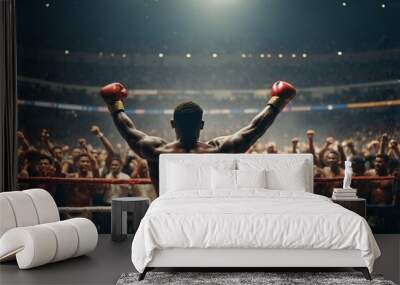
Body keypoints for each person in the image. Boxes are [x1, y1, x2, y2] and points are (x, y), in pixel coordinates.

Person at [100, 81, 296, 196]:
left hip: (170, 214)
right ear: (202, 125)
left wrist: (114, 103)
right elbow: (253, 130)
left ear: (172, 124)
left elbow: (128, 130)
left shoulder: (157, 152)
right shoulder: (217, 150)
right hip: (210, 212)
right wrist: (277, 102)